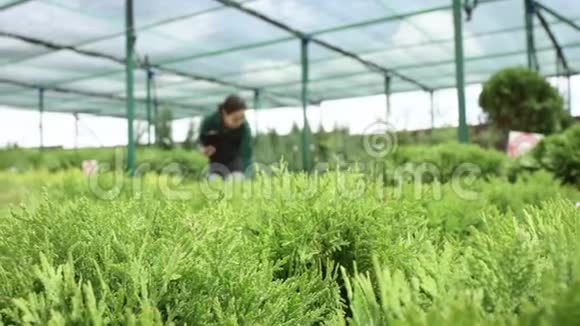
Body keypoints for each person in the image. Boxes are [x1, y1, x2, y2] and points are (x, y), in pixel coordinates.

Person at [198, 94, 252, 180]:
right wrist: (203, 149)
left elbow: (246, 153)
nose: (239, 122)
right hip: (216, 162)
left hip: (235, 162)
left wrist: (246, 174)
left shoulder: (244, 127)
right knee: (214, 182)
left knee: (236, 181)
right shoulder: (210, 121)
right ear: (224, 112)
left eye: (242, 118)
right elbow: (200, 142)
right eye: (235, 119)